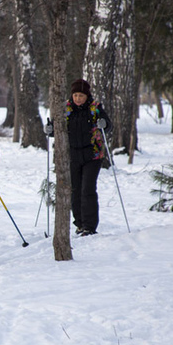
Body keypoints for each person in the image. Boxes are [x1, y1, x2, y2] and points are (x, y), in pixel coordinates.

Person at [66, 78, 112, 236]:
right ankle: (79, 223)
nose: (78, 99)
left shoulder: (95, 108)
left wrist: (103, 124)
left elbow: (108, 125)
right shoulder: (66, 109)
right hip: (73, 155)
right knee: (75, 190)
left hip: (93, 155)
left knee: (88, 189)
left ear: (87, 96)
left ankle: (89, 226)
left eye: (81, 96)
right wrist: (50, 129)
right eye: (76, 95)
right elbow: (56, 129)